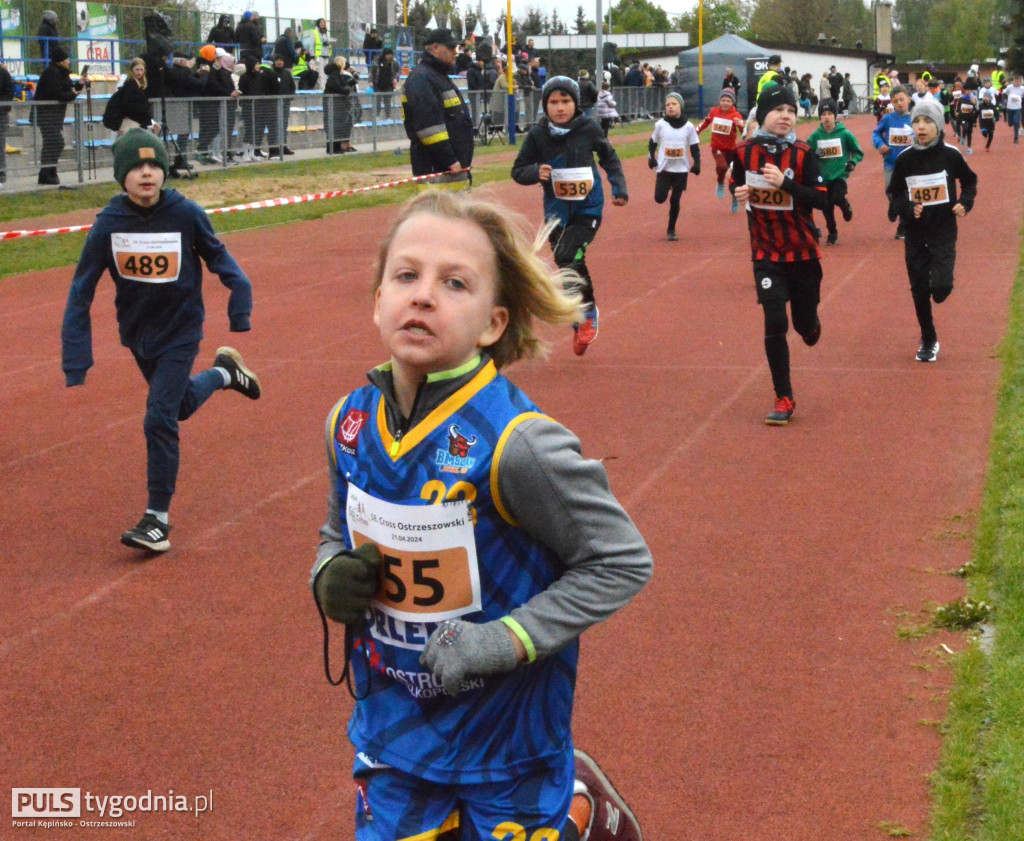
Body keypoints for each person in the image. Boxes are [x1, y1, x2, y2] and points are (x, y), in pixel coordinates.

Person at [311, 188, 651, 841]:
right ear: (377, 299)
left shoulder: (517, 444)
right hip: (394, 729)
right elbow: (335, 532)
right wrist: (328, 576)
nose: (423, 294)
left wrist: (504, 640)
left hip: (508, 743)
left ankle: (583, 812)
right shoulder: (348, 425)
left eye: (455, 283)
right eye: (405, 275)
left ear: (494, 323)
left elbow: (621, 561)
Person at [60, 130, 260, 553]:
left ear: (164, 172)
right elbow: (81, 289)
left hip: (182, 330)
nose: (146, 173)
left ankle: (157, 520)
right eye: (136, 167)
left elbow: (219, 257)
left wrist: (238, 302)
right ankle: (225, 373)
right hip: (138, 335)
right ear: (121, 176)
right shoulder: (108, 225)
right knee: (180, 405)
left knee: (158, 419)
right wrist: (76, 358)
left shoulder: (185, 212)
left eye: (153, 166)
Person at [730, 85, 828, 425]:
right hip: (765, 250)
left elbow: (821, 199)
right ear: (762, 115)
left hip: (802, 252)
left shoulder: (803, 152)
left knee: (802, 324)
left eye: (791, 110)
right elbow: (736, 182)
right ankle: (783, 396)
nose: (785, 115)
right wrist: (739, 192)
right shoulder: (744, 151)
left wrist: (784, 185)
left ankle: (811, 324)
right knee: (774, 322)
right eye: (778, 110)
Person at [511, 76, 628, 356]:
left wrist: (619, 187)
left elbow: (609, 157)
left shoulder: (588, 128)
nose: (560, 107)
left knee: (568, 255)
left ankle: (587, 314)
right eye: (553, 102)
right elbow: (518, 170)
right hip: (556, 212)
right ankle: (579, 317)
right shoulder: (538, 135)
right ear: (545, 105)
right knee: (566, 265)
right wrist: (535, 172)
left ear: (575, 103)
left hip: (588, 208)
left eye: (565, 101)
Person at [886, 96, 977, 363]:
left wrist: (964, 203)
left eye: (927, 121)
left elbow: (969, 181)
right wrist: (907, 207)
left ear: (938, 125)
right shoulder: (905, 159)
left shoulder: (951, 154)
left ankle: (939, 287)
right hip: (915, 233)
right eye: (917, 122)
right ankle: (928, 338)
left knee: (941, 287)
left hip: (943, 230)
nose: (921, 127)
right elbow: (895, 192)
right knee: (918, 289)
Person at [401, 28, 473, 182]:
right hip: (438, 170)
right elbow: (429, 128)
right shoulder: (422, 79)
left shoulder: (437, 76)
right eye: (451, 48)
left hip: (451, 169)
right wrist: (450, 160)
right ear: (435, 47)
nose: (455, 52)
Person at [807, 99, 863, 246]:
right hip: (823, 177)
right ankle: (832, 232)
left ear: (835, 116)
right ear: (820, 117)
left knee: (837, 197)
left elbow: (858, 152)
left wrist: (852, 162)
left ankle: (845, 205)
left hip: (839, 175)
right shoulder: (815, 136)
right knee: (826, 206)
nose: (826, 117)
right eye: (823, 114)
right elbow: (807, 153)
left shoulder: (845, 134)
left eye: (830, 114)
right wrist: (815, 154)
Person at [647, 92, 700, 241]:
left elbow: (694, 146)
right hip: (664, 168)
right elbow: (652, 143)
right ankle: (664, 188)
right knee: (659, 198)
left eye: (674, 104)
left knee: (675, 200)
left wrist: (697, 163)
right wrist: (651, 157)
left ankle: (671, 229)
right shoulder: (660, 125)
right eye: (668, 105)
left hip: (681, 170)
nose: (670, 107)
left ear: (680, 106)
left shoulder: (689, 127)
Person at [32, 45, 85, 186]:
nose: (68, 61)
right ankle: (46, 173)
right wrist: (72, 94)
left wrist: (79, 85)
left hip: (54, 116)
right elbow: (57, 94)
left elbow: (68, 89)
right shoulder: (52, 73)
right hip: (46, 115)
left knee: (51, 143)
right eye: (66, 59)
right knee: (55, 142)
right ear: (59, 60)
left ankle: (49, 172)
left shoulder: (62, 73)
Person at [871, 84, 914, 239]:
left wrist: (914, 138)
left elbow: (924, 134)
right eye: (895, 101)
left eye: (902, 99)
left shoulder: (914, 118)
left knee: (907, 195)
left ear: (909, 99)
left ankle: (902, 227)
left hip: (910, 164)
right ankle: (893, 205)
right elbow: (876, 133)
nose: (899, 103)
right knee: (891, 191)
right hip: (891, 162)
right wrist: (880, 144)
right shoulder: (888, 118)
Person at [696, 87, 745, 210]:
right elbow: (705, 122)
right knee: (722, 167)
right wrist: (696, 132)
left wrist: (741, 126)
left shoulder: (735, 115)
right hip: (717, 147)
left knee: (734, 174)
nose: (725, 103)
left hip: (731, 149)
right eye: (723, 100)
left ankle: (734, 198)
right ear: (719, 100)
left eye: (728, 101)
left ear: (732, 102)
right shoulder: (714, 111)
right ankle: (720, 183)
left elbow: (743, 132)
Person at [112, 57, 159, 136]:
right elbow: (133, 106)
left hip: (134, 122)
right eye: (137, 69)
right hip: (130, 122)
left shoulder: (137, 85)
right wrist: (150, 122)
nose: (139, 72)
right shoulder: (130, 85)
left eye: (141, 70)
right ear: (132, 70)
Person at [324, 56, 358, 153]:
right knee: (334, 126)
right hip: (333, 104)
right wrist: (347, 88)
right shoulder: (334, 76)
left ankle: (337, 147)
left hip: (337, 104)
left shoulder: (338, 75)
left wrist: (351, 83)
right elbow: (339, 88)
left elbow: (343, 86)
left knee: (338, 125)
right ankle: (333, 147)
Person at [371, 47, 401, 120]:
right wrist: (371, 81)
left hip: (389, 85)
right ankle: (376, 116)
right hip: (378, 84)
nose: (389, 57)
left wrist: (395, 78)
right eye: (387, 55)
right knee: (377, 101)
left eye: (390, 55)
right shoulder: (377, 61)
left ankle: (388, 116)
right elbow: (372, 72)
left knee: (387, 101)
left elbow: (398, 71)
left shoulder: (394, 62)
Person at [310, 18, 333, 89]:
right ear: (318, 24)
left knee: (325, 73)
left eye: (323, 22)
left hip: (326, 55)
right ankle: (322, 88)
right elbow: (312, 45)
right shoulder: (315, 32)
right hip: (319, 56)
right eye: (321, 22)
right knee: (320, 73)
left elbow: (328, 43)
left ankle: (325, 87)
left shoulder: (327, 32)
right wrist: (312, 55)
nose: (322, 24)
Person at [0, 59, 13, 190]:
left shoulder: (3, 74)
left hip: (1, 115)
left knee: (0, 146)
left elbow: (9, 94)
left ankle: (1, 176)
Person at [1003, 73, 1023, 143]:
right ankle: (1009, 122)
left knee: (1016, 122)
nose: (1016, 83)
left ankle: (1016, 138)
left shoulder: (1022, 89)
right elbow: (1005, 92)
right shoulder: (1010, 87)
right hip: (1010, 107)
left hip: (1017, 108)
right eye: (1015, 81)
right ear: (1013, 81)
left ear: (1021, 82)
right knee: (1010, 123)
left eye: (1018, 81)